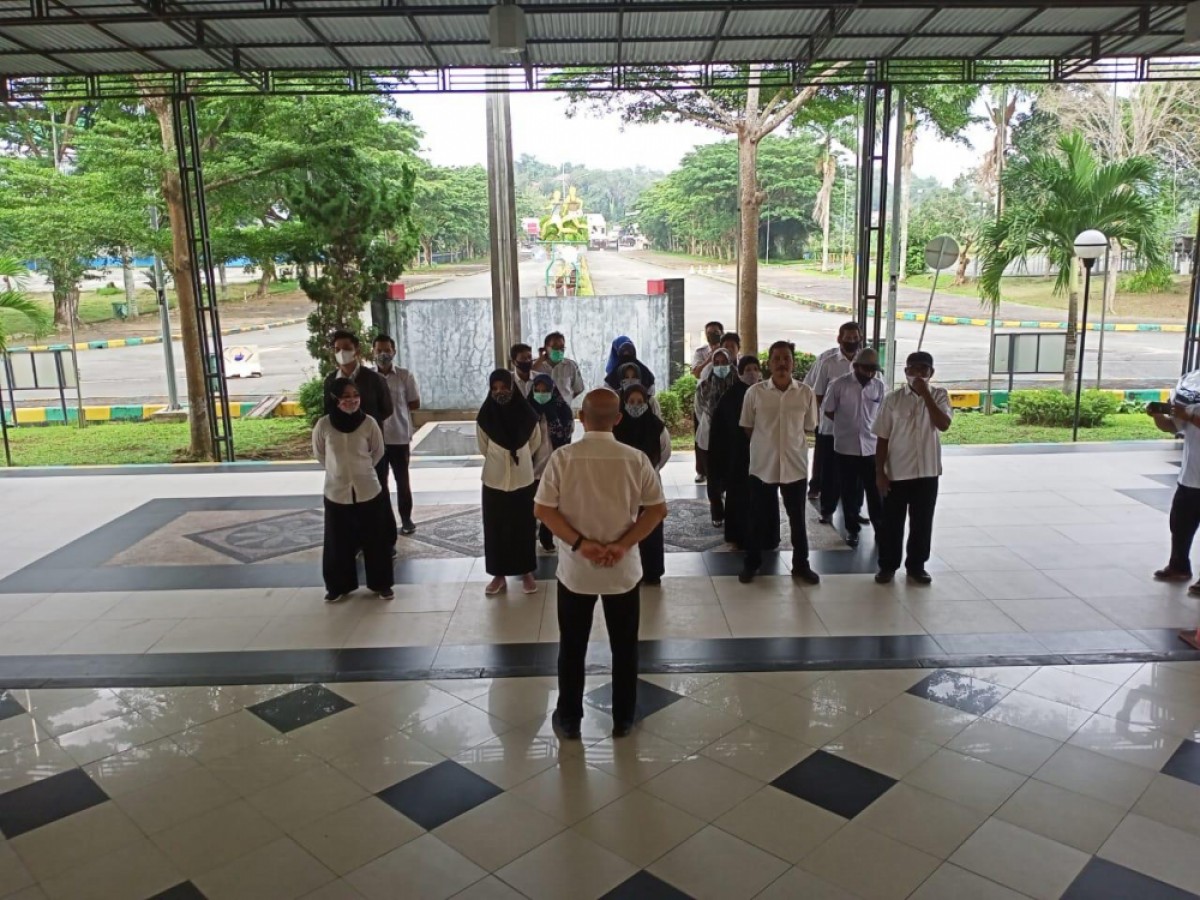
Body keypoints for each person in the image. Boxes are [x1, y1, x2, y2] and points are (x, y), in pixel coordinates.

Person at [535, 389, 668, 740]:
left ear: (581, 417)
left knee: (572, 646)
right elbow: (657, 509)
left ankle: (569, 718)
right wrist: (622, 545)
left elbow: (543, 509)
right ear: (619, 419)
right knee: (625, 646)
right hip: (622, 571)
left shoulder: (563, 458)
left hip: (577, 570)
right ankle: (623, 718)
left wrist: (582, 544)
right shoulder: (635, 459)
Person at [738, 340, 821, 586]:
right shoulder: (755, 393)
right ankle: (752, 563)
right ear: (768, 364)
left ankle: (801, 565)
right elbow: (747, 427)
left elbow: (808, 427)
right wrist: (766, 446)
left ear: (793, 363)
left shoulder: (805, 393)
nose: (782, 364)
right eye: (777, 359)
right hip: (763, 467)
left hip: (795, 466)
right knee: (756, 519)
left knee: (798, 519)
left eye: (786, 359)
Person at [312, 379, 395, 603]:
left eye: (355, 395)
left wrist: (361, 470)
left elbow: (377, 452)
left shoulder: (369, 423)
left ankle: (382, 584)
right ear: (335, 399)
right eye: (346, 396)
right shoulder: (324, 425)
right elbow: (320, 454)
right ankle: (338, 586)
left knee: (376, 539)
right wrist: (338, 471)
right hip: (336, 492)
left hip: (368, 489)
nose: (352, 400)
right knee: (337, 541)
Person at [873, 351, 952, 584]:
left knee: (922, 522)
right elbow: (882, 438)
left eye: (924, 369)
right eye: (914, 369)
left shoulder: (939, 395)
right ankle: (887, 566)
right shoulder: (893, 399)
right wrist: (880, 472)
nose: (918, 373)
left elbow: (943, 424)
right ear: (906, 372)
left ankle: (917, 566)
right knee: (892, 523)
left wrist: (925, 393)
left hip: (927, 472)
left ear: (931, 373)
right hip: (897, 472)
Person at [477, 370, 542, 595]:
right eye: (495, 389)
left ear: (512, 388)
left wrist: (518, 457)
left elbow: (534, 443)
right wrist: (501, 457)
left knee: (523, 527)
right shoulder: (485, 416)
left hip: (523, 480)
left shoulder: (527, 415)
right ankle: (498, 575)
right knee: (496, 529)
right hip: (494, 481)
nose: (500, 392)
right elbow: (483, 447)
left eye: (504, 387)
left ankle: (526, 573)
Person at [709, 354, 780, 549]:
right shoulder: (731, 396)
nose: (752, 373)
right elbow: (721, 429)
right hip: (738, 456)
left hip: (764, 454)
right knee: (740, 495)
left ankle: (768, 536)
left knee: (766, 495)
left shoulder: (767, 392)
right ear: (740, 372)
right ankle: (739, 536)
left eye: (755, 369)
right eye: (747, 370)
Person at [823, 347, 886, 548]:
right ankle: (852, 530)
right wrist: (846, 425)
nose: (869, 373)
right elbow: (829, 411)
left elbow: (883, 413)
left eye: (873, 369)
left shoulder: (879, 386)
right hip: (846, 447)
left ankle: (880, 528)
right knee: (849, 491)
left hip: (871, 447)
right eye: (865, 368)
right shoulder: (839, 385)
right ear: (856, 366)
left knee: (875, 491)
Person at [613, 383, 672, 585]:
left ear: (647, 403)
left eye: (640, 402)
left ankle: (652, 572)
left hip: (649, 485)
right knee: (625, 527)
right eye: (631, 402)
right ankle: (628, 569)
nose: (636, 405)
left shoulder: (657, 426)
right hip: (622, 485)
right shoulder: (616, 427)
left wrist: (650, 471)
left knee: (651, 527)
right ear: (624, 403)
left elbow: (664, 453)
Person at [807, 322, 863, 521]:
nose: (851, 342)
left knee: (857, 476)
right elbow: (818, 394)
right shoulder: (828, 362)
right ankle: (827, 510)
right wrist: (837, 417)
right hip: (830, 428)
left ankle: (855, 511)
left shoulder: (866, 361)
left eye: (855, 338)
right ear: (839, 339)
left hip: (858, 431)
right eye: (848, 338)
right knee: (830, 471)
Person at [1149, 392, 1200, 596]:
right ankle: (1179, 566)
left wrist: (1188, 416)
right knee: (1179, 525)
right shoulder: (1193, 395)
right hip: (1190, 477)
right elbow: (1173, 427)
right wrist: (1158, 416)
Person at [371, 335, 420, 537]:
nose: (383, 354)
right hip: (376, 440)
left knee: (402, 480)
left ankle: (406, 519)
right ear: (372, 352)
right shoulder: (368, 377)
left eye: (387, 350)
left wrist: (396, 409)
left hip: (399, 436)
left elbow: (414, 403)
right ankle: (383, 522)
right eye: (379, 350)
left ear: (394, 351)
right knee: (379, 483)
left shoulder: (404, 375)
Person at [531, 373, 575, 553]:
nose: (541, 393)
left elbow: (567, 433)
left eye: (545, 390)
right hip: (531, 465)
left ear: (552, 390)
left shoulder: (562, 409)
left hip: (554, 462)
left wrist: (552, 417)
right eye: (538, 390)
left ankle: (547, 537)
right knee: (531, 503)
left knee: (552, 504)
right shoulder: (528, 409)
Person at [694, 348, 737, 527]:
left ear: (730, 363)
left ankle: (733, 512)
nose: (720, 366)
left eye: (723, 363)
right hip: (710, 436)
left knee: (732, 475)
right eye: (716, 363)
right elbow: (698, 411)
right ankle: (717, 512)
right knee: (713, 478)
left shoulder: (738, 384)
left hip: (732, 438)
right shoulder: (704, 385)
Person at [323, 330, 394, 426]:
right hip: (340, 437)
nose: (341, 353)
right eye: (337, 349)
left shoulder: (375, 379)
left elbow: (387, 410)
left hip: (369, 436)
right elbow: (328, 411)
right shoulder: (330, 381)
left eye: (347, 348)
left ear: (357, 350)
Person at [691, 321, 724, 484]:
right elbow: (696, 373)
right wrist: (710, 358)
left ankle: (719, 469)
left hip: (721, 397)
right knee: (700, 434)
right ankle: (701, 470)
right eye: (709, 332)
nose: (713, 335)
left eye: (716, 332)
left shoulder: (726, 350)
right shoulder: (700, 352)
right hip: (703, 397)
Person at [534, 331, 586, 407]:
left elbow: (578, 389)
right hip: (542, 413)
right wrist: (540, 360)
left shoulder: (571, 365)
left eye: (562, 348)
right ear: (545, 348)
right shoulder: (537, 366)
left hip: (563, 414)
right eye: (555, 347)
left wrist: (565, 400)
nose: (559, 350)